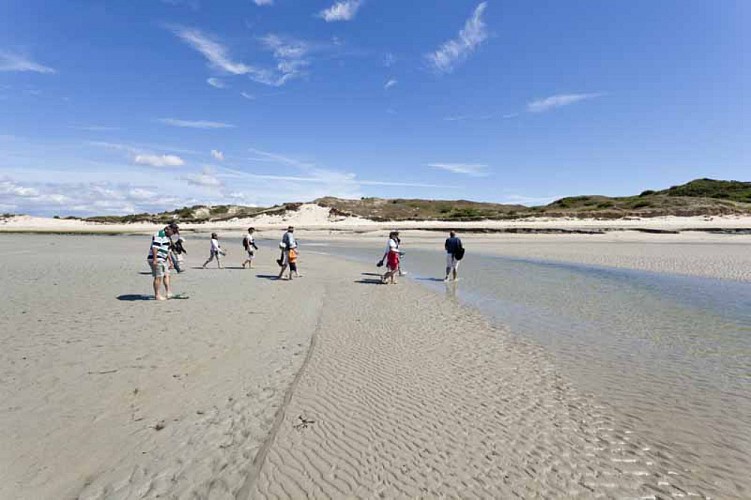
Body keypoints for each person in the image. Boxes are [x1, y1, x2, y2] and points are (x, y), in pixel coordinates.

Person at [148, 222, 179, 300]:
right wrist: (155, 259)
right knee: (158, 277)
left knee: (167, 274)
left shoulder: (167, 236)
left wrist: (170, 261)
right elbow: (155, 247)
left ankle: (168, 292)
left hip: (162, 258)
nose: (173, 234)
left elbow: (167, 250)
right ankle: (157, 295)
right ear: (168, 229)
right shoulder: (160, 235)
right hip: (157, 258)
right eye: (173, 232)